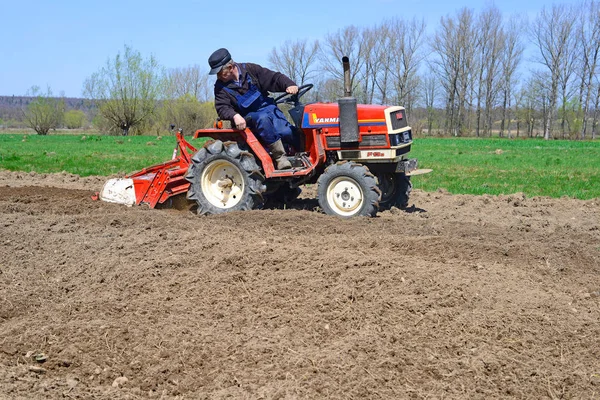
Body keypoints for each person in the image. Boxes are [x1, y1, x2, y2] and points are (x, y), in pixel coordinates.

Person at [208, 48, 298, 170]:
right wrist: (234, 115)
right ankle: (280, 158)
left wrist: (289, 84)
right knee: (263, 118)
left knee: (287, 131)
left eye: (220, 72)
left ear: (230, 67)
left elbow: (273, 78)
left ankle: (301, 153)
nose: (218, 76)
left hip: (268, 108)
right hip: (248, 118)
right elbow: (222, 107)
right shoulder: (220, 88)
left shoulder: (250, 70)